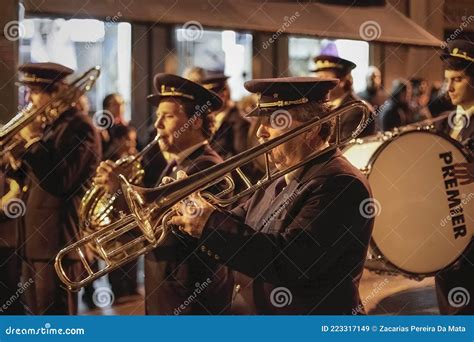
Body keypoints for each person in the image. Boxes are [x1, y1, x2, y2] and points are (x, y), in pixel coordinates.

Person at [169, 77, 374, 314]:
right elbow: (236, 223)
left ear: (312, 129)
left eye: (273, 121)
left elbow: (290, 261)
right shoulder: (277, 177)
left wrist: (210, 223)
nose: (260, 132)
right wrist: (188, 210)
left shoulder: (341, 184)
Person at [94, 74, 234, 315]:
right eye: (158, 116)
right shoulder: (174, 164)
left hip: (188, 297)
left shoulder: (205, 166)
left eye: (168, 116)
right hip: (169, 290)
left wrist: (121, 189)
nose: (157, 125)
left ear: (196, 121)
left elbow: (161, 226)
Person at [9, 62, 102, 314]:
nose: (28, 98)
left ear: (56, 93)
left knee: (57, 323)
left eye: (35, 91)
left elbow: (61, 180)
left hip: (58, 243)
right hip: (34, 244)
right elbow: (34, 179)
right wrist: (14, 160)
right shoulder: (50, 127)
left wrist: (32, 142)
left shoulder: (79, 127)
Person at [435, 39, 474, 315]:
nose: (449, 88)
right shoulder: (443, 123)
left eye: (457, 79)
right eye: (447, 80)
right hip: (446, 242)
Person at [312, 55, 376, 139]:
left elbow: (346, 149)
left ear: (342, 81)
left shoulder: (357, 110)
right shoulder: (319, 106)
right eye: (317, 78)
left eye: (325, 78)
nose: (318, 83)